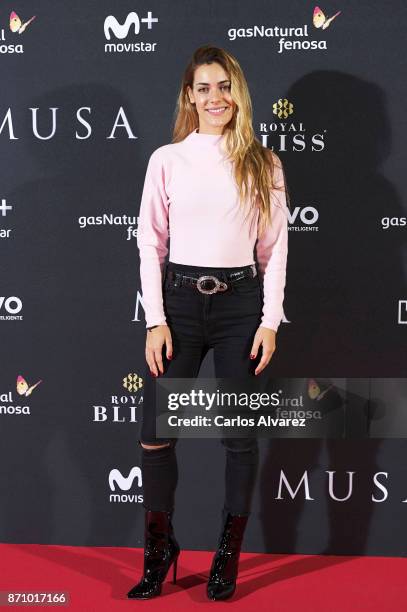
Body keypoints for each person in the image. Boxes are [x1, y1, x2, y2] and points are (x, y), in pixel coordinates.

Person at [127, 44, 290, 601]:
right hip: (178, 305)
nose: (214, 97)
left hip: (241, 306)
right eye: (204, 87)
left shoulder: (263, 163)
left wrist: (270, 321)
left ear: (237, 94)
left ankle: (227, 556)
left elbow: (273, 251)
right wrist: (156, 320)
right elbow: (151, 242)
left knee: (239, 437)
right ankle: (160, 547)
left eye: (224, 86)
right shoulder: (166, 159)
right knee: (156, 436)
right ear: (189, 96)